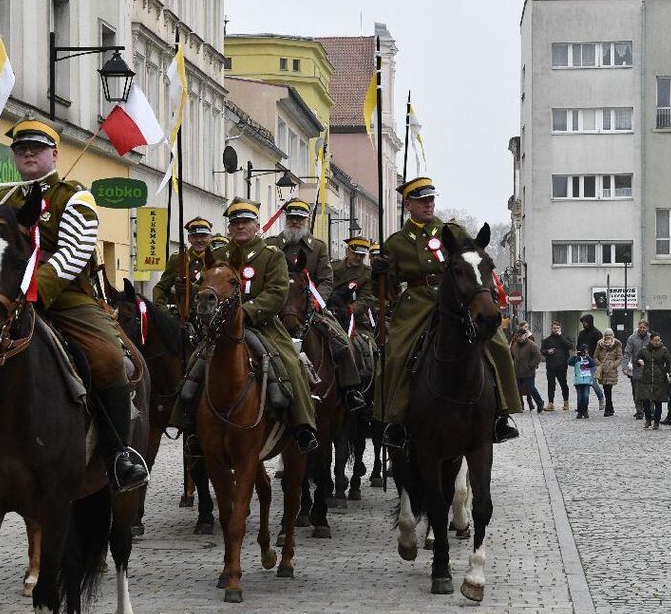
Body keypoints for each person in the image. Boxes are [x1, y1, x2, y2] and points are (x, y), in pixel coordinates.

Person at [0, 116, 148, 496]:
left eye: (36, 148)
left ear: (53, 154)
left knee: (108, 357)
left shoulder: (75, 196)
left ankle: (118, 455)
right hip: (6, 301)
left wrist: (34, 287)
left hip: (66, 298)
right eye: (21, 148)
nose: (27, 154)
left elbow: (75, 253)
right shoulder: (1, 200)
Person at [372, 177, 521, 446]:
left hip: (457, 297)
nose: (429, 204)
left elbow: (473, 257)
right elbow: (386, 292)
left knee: (496, 342)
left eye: (431, 199)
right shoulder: (396, 243)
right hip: (418, 301)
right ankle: (395, 419)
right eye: (422, 200)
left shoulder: (451, 230)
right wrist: (379, 273)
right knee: (396, 352)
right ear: (408, 205)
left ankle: (501, 412)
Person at [179, 198, 318, 453]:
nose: (240, 227)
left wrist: (245, 312)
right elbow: (208, 288)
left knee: (291, 363)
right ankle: (187, 424)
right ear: (229, 228)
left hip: (262, 325)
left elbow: (277, 293)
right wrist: (190, 290)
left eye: (246, 222)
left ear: (256, 225)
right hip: (222, 327)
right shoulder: (218, 255)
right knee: (195, 362)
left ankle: (302, 426)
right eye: (235, 223)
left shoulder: (271, 256)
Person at [268, 199, 366, 412]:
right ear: (286, 219)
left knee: (340, 339)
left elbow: (326, 279)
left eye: (300, 218)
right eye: (292, 217)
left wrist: (316, 302)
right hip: (276, 307)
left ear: (306, 220)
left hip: (310, 307)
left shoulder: (318, 247)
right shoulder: (272, 245)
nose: (295, 222)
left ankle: (350, 389)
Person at [153, 217, 213, 310]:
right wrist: (162, 311)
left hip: (212, 315)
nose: (199, 240)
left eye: (203, 236)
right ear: (189, 239)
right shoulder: (178, 259)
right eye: (194, 236)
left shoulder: (218, 258)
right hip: (184, 316)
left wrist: (192, 288)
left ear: (210, 238)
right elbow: (161, 288)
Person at [636, 332, 671, 430]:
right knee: (646, 401)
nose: (657, 342)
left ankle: (656, 421)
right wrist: (639, 361)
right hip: (646, 379)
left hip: (659, 379)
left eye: (658, 340)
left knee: (658, 401)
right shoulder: (644, 350)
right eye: (655, 340)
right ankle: (648, 419)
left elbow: (669, 363)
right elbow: (637, 359)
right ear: (651, 341)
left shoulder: (664, 350)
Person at [541, 321, 574, 411]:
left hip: (562, 366)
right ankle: (551, 403)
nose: (555, 330)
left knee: (563, 384)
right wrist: (547, 351)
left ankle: (566, 402)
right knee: (551, 385)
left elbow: (570, 346)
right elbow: (542, 351)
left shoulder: (564, 338)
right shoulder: (547, 340)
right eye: (554, 328)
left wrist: (561, 336)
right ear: (551, 329)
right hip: (551, 366)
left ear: (560, 329)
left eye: (557, 328)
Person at [621, 319, 651, 419]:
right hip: (636, 369)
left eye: (644, 327)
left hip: (649, 369)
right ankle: (639, 411)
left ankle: (650, 411)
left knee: (649, 392)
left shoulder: (651, 338)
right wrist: (624, 367)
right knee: (637, 392)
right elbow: (627, 353)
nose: (642, 329)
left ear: (647, 328)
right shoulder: (632, 338)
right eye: (640, 327)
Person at [511, 329, 544, 412]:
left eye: (521, 336)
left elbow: (538, 356)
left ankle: (540, 402)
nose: (519, 338)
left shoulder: (532, 345)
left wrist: (531, 366)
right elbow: (512, 355)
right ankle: (519, 406)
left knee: (531, 388)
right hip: (517, 372)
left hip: (528, 372)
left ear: (525, 335)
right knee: (517, 390)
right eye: (518, 336)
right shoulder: (515, 346)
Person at [577, 314, 604, 409]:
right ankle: (584, 405)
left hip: (593, 361)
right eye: (582, 322)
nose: (583, 324)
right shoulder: (581, 333)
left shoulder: (597, 333)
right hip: (583, 361)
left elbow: (601, 348)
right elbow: (578, 346)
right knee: (584, 383)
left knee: (592, 381)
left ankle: (601, 397)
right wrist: (579, 354)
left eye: (585, 322)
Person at [593, 328, 622, 417]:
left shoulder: (617, 344)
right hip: (603, 371)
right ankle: (610, 408)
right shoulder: (600, 344)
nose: (608, 337)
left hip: (611, 370)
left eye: (610, 335)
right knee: (606, 389)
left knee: (608, 389)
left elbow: (620, 357)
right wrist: (600, 364)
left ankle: (608, 408)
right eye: (606, 336)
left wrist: (613, 365)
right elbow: (595, 356)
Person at [568, 345, 596, 419]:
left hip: (587, 381)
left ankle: (585, 410)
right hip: (578, 381)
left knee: (586, 396)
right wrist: (575, 355)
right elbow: (570, 362)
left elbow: (593, 364)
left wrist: (588, 357)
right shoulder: (577, 359)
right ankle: (580, 411)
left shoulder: (588, 359)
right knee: (580, 397)